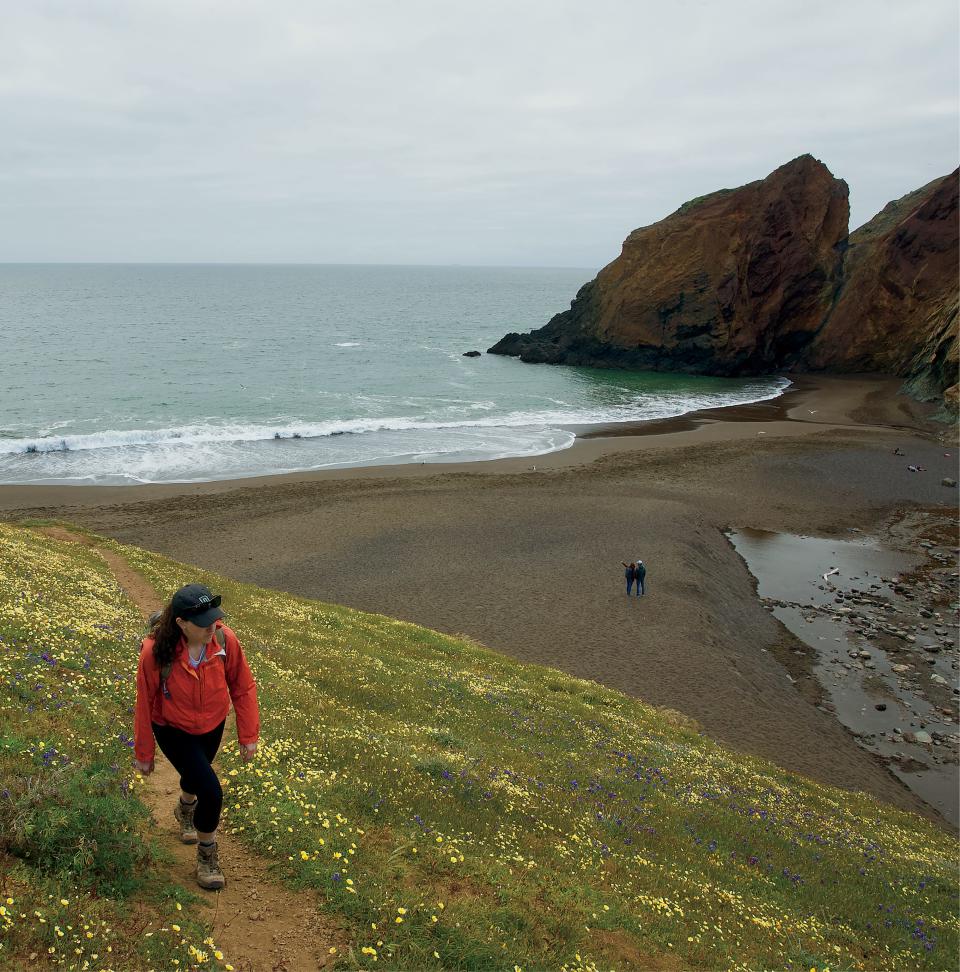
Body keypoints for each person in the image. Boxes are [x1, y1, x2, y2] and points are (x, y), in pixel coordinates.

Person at [134, 584, 259, 890]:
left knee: (195, 776)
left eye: (214, 619)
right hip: (173, 729)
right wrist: (144, 752)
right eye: (204, 623)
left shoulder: (224, 639)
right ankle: (207, 855)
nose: (212, 627)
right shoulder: (154, 652)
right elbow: (144, 701)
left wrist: (248, 734)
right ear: (181, 623)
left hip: (213, 723)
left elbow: (243, 686)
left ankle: (185, 808)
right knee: (212, 792)